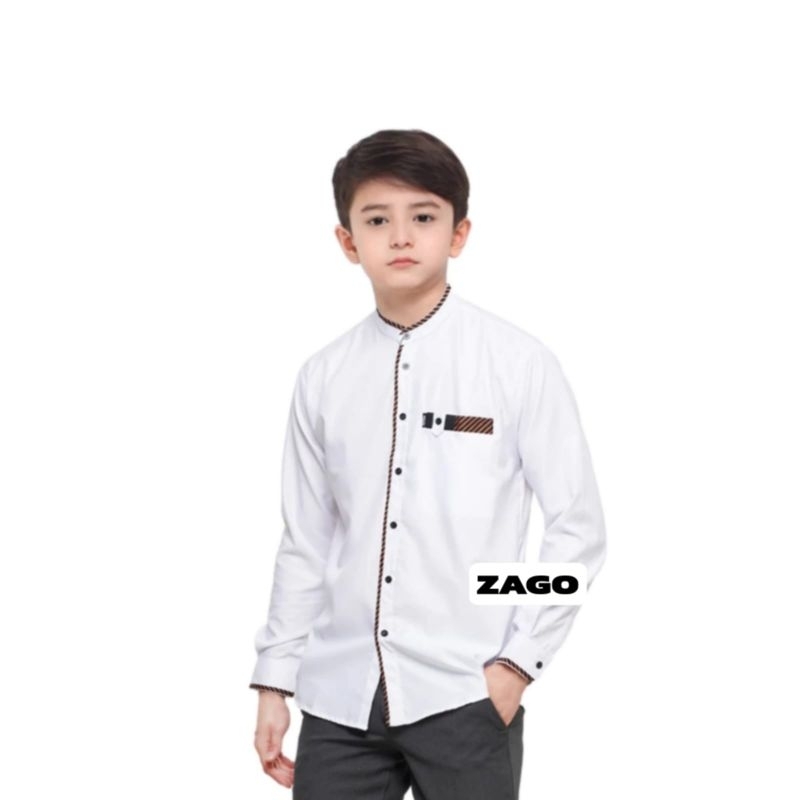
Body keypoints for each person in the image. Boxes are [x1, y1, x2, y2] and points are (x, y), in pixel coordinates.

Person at [249, 129, 607, 799]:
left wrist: (515, 662)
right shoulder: (323, 376)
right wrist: (275, 680)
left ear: (458, 233)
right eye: (376, 220)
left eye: (423, 217)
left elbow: (577, 532)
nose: (400, 237)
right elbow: (308, 541)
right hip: (339, 699)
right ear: (348, 242)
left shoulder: (518, 363)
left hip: (465, 693)